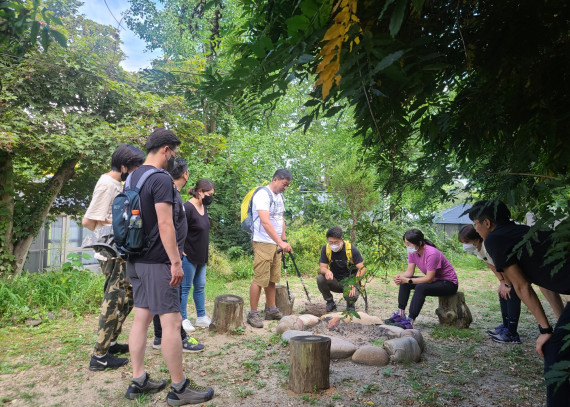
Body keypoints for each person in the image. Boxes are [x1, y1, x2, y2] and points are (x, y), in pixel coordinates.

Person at [124, 128, 214, 404]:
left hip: (135, 259)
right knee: (172, 322)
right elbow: (164, 223)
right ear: (165, 149)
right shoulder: (161, 179)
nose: (174, 158)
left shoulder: (133, 177)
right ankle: (179, 388)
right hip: (157, 261)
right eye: (173, 152)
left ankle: (138, 380)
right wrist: (176, 261)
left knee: (141, 318)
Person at [468, 200, 569, 406]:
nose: (475, 230)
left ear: (487, 222)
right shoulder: (522, 232)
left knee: (555, 351)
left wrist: (546, 331)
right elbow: (546, 284)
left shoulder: (495, 240)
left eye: (476, 224)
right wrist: (558, 324)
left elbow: (521, 287)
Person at [83, 144, 144, 371]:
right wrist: (113, 227)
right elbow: (88, 221)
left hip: (121, 251)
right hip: (111, 253)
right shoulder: (107, 184)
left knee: (127, 297)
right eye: (135, 166)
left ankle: (112, 342)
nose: (137, 170)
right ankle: (99, 356)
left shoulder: (117, 184)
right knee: (114, 299)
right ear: (124, 166)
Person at [151, 157, 205, 353]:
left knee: (161, 299)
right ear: (185, 174)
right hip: (168, 258)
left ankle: (159, 336)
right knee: (172, 300)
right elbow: (166, 225)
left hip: (167, 255)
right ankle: (180, 337)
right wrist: (175, 254)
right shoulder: (170, 193)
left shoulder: (171, 193)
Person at [458, 224, 522, 343]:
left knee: (511, 293)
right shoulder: (478, 249)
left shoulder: (488, 246)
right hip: (505, 273)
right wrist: (502, 282)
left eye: (466, 241)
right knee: (502, 293)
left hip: (516, 271)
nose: (464, 245)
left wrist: (508, 285)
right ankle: (506, 326)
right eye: (462, 242)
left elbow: (504, 265)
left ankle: (512, 334)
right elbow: (492, 265)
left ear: (476, 238)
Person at [385, 229, 458, 329]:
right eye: (405, 243)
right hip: (435, 280)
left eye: (408, 243)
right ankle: (400, 313)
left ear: (419, 243)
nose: (407, 246)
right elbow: (409, 272)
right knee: (405, 282)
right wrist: (401, 277)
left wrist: (408, 280)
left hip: (449, 283)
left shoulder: (432, 253)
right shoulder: (413, 251)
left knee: (421, 287)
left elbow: (429, 279)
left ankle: (410, 321)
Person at [247, 169, 293, 328]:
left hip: (276, 242)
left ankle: (271, 309)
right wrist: (281, 243)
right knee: (260, 278)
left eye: (287, 185)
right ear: (275, 179)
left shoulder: (279, 196)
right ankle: (253, 313)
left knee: (273, 278)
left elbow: (281, 218)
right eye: (284, 184)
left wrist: (284, 239)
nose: (285, 187)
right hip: (262, 241)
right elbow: (265, 222)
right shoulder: (262, 195)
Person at [181, 178, 215, 332]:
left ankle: (201, 316)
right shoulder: (187, 207)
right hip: (189, 255)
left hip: (202, 255)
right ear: (200, 192)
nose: (210, 197)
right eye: (209, 194)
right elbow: (178, 228)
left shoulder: (203, 206)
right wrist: (179, 247)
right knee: (185, 287)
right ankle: (183, 318)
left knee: (200, 286)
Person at [317, 226, 366, 312]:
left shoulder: (351, 249)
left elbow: (362, 269)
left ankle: (350, 304)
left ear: (341, 240)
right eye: (331, 242)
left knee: (351, 295)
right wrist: (327, 271)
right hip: (335, 281)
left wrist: (353, 282)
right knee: (320, 278)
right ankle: (330, 302)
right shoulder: (326, 249)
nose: (333, 245)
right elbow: (322, 268)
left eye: (336, 242)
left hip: (350, 281)